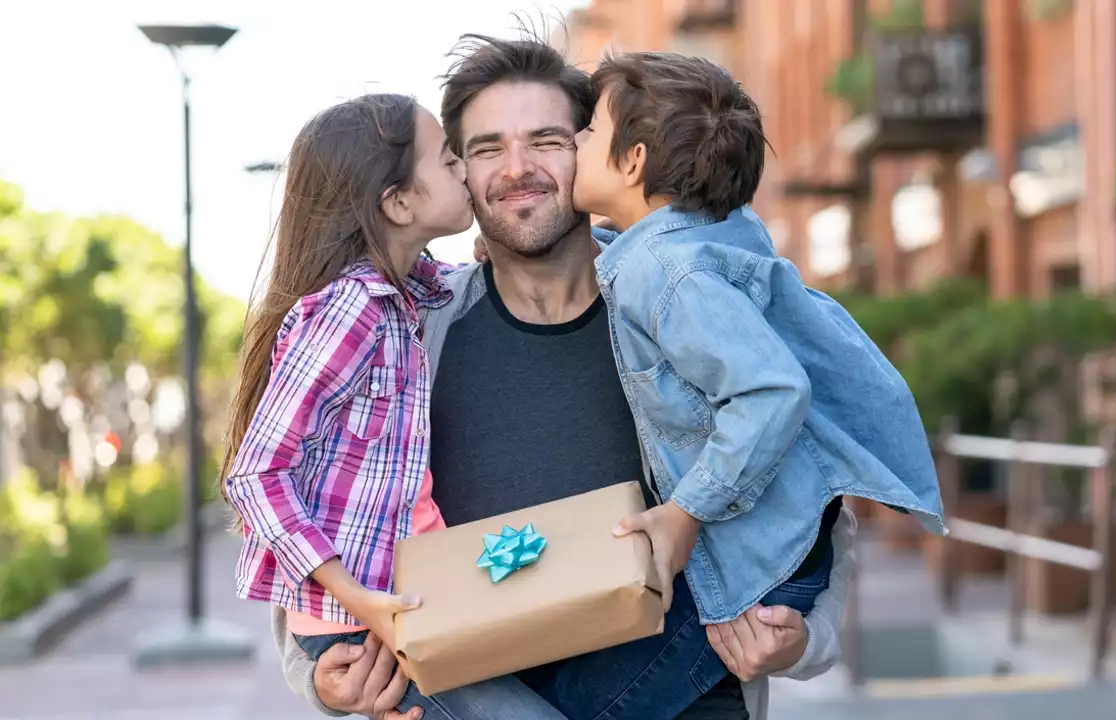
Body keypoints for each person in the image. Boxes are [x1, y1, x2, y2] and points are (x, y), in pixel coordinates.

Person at [273, 35, 856, 720]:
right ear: (455, 171)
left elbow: (809, 492)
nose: (517, 169)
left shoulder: (689, 312)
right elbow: (317, 522)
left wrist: (804, 640)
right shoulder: (407, 340)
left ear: (599, 151)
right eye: (487, 147)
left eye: (547, 139)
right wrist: (320, 680)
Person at [222, 93, 570, 719]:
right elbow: (254, 475)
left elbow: (457, 279)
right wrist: (362, 604)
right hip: (367, 617)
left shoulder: (407, 294)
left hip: (412, 595)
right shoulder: (350, 310)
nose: (465, 169)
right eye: (447, 161)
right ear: (399, 202)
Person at [573, 50, 944, 630]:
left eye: (590, 130)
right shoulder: (704, 239)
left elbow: (772, 391)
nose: (574, 140)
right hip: (789, 544)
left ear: (633, 161)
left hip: (765, 570)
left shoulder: (668, 273)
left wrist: (683, 513)